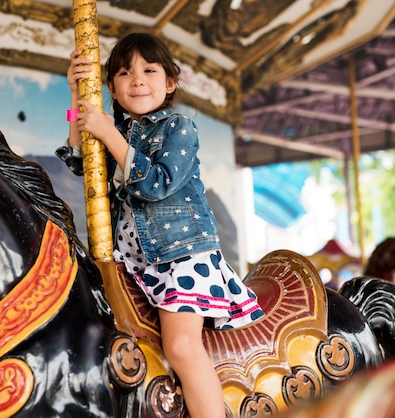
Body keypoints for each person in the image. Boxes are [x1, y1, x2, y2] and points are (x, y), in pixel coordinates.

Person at [56, 32, 265, 418]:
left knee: (182, 347)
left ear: (169, 83)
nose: (137, 79)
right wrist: (75, 97)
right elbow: (80, 163)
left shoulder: (178, 127)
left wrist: (108, 133)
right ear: (112, 90)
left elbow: (157, 183)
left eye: (149, 70)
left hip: (182, 259)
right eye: (124, 72)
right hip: (134, 265)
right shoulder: (117, 130)